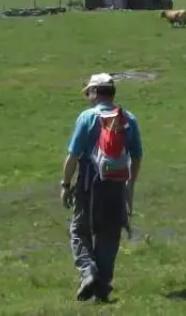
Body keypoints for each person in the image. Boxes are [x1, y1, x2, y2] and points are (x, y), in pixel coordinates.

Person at [60, 73, 143, 302]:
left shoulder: (87, 118)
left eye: (89, 92)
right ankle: (102, 288)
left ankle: (88, 271)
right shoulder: (129, 119)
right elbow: (136, 157)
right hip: (116, 185)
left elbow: (73, 157)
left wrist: (65, 185)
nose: (88, 97)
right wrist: (130, 186)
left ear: (96, 93)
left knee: (79, 231)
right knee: (109, 235)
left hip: (89, 183)